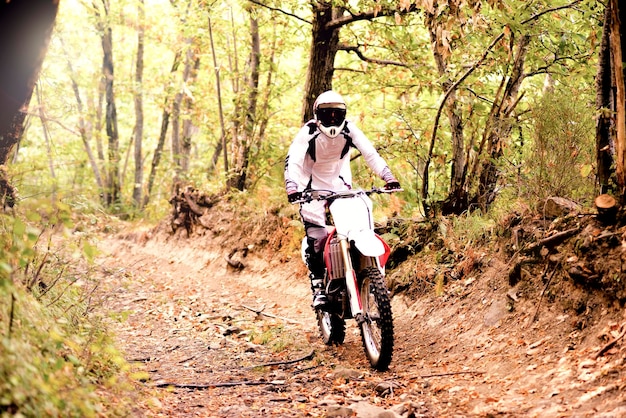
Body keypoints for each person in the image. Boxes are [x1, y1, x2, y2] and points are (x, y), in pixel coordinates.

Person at [284, 90, 401, 309]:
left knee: (356, 224)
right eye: (326, 114)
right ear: (317, 115)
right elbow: (294, 160)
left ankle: (360, 268)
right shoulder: (308, 132)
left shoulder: (349, 129)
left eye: (337, 114)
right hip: (310, 189)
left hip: (340, 186)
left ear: (344, 115)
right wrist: (292, 186)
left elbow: (370, 154)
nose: (332, 119)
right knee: (317, 237)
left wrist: (388, 176)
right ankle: (318, 285)